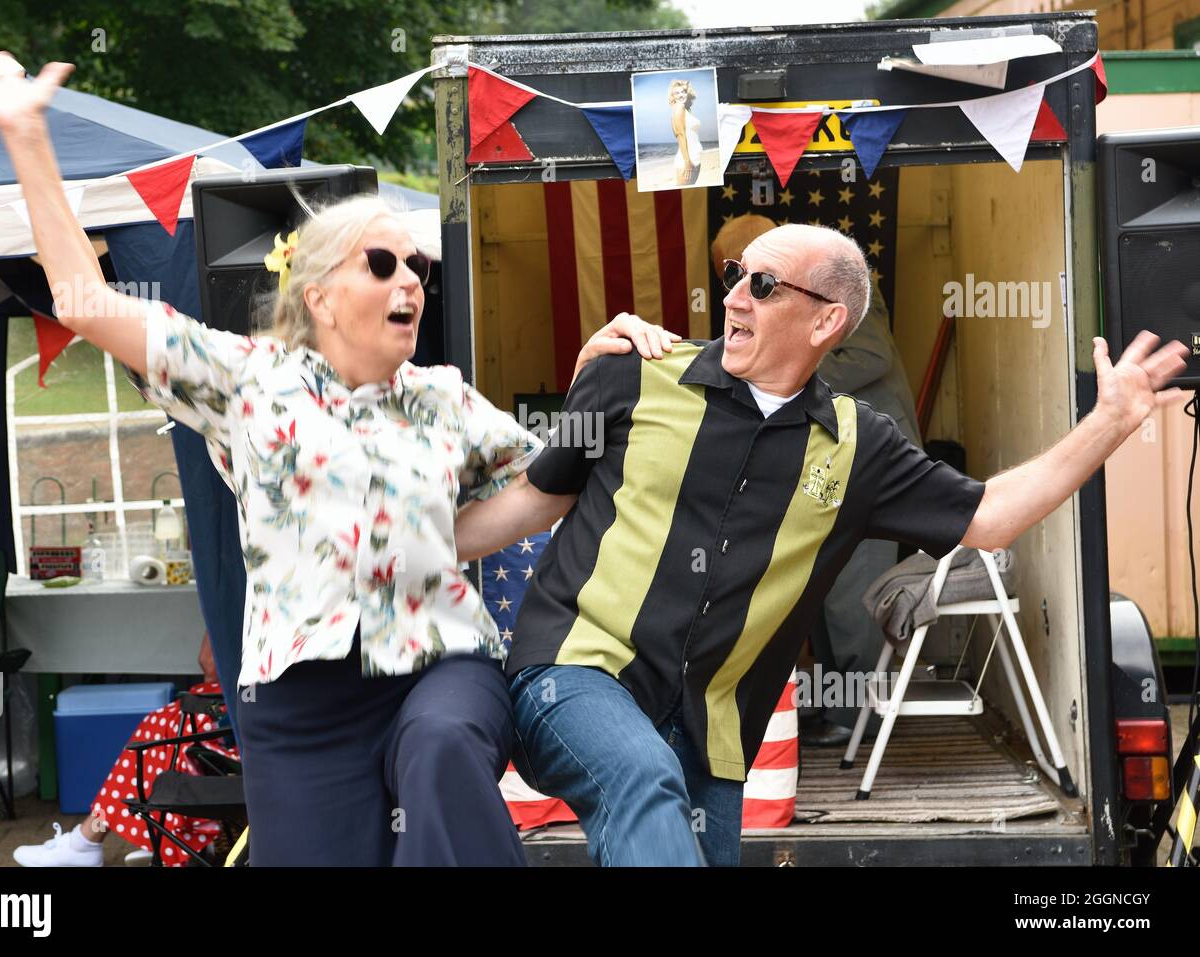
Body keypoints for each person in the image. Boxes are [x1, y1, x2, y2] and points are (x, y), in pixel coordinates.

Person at [0, 59, 672, 866]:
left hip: (440, 669)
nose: (410, 283)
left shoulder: (444, 397)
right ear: (316, 294)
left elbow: (535, 492)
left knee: (444, 746)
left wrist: (592, 381)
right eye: (381, 264)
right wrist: (27, 137)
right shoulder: (246, 378)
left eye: (416, 267)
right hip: (300, 699)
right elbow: (83, 300)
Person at [454, 221, 1189, 866]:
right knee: (643, 779)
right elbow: (534, 499)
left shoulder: (860, 445)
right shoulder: (635, 374)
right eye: (734, 276)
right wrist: (399, 550)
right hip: (574, 674)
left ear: (825, 320)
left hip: (707, 724)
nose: (735, 296)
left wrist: (1113, 422)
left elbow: (991, 514)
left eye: (763, 283)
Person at [712, 214, 923, 745]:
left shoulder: (830, 280)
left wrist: (789, 372)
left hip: (873, 459)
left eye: (740, 271)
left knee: (855, 590)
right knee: (826, 588)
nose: (735, 286)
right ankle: (839, 711)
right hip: (832, 459)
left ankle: (861, 721)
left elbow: (870, 356)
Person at [12, 632, 238, 867]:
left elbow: (209, 662)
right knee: (163, 732)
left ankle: (92, 840)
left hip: (238, 721)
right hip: (249, 715)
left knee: (166, 730)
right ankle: (100, 839)